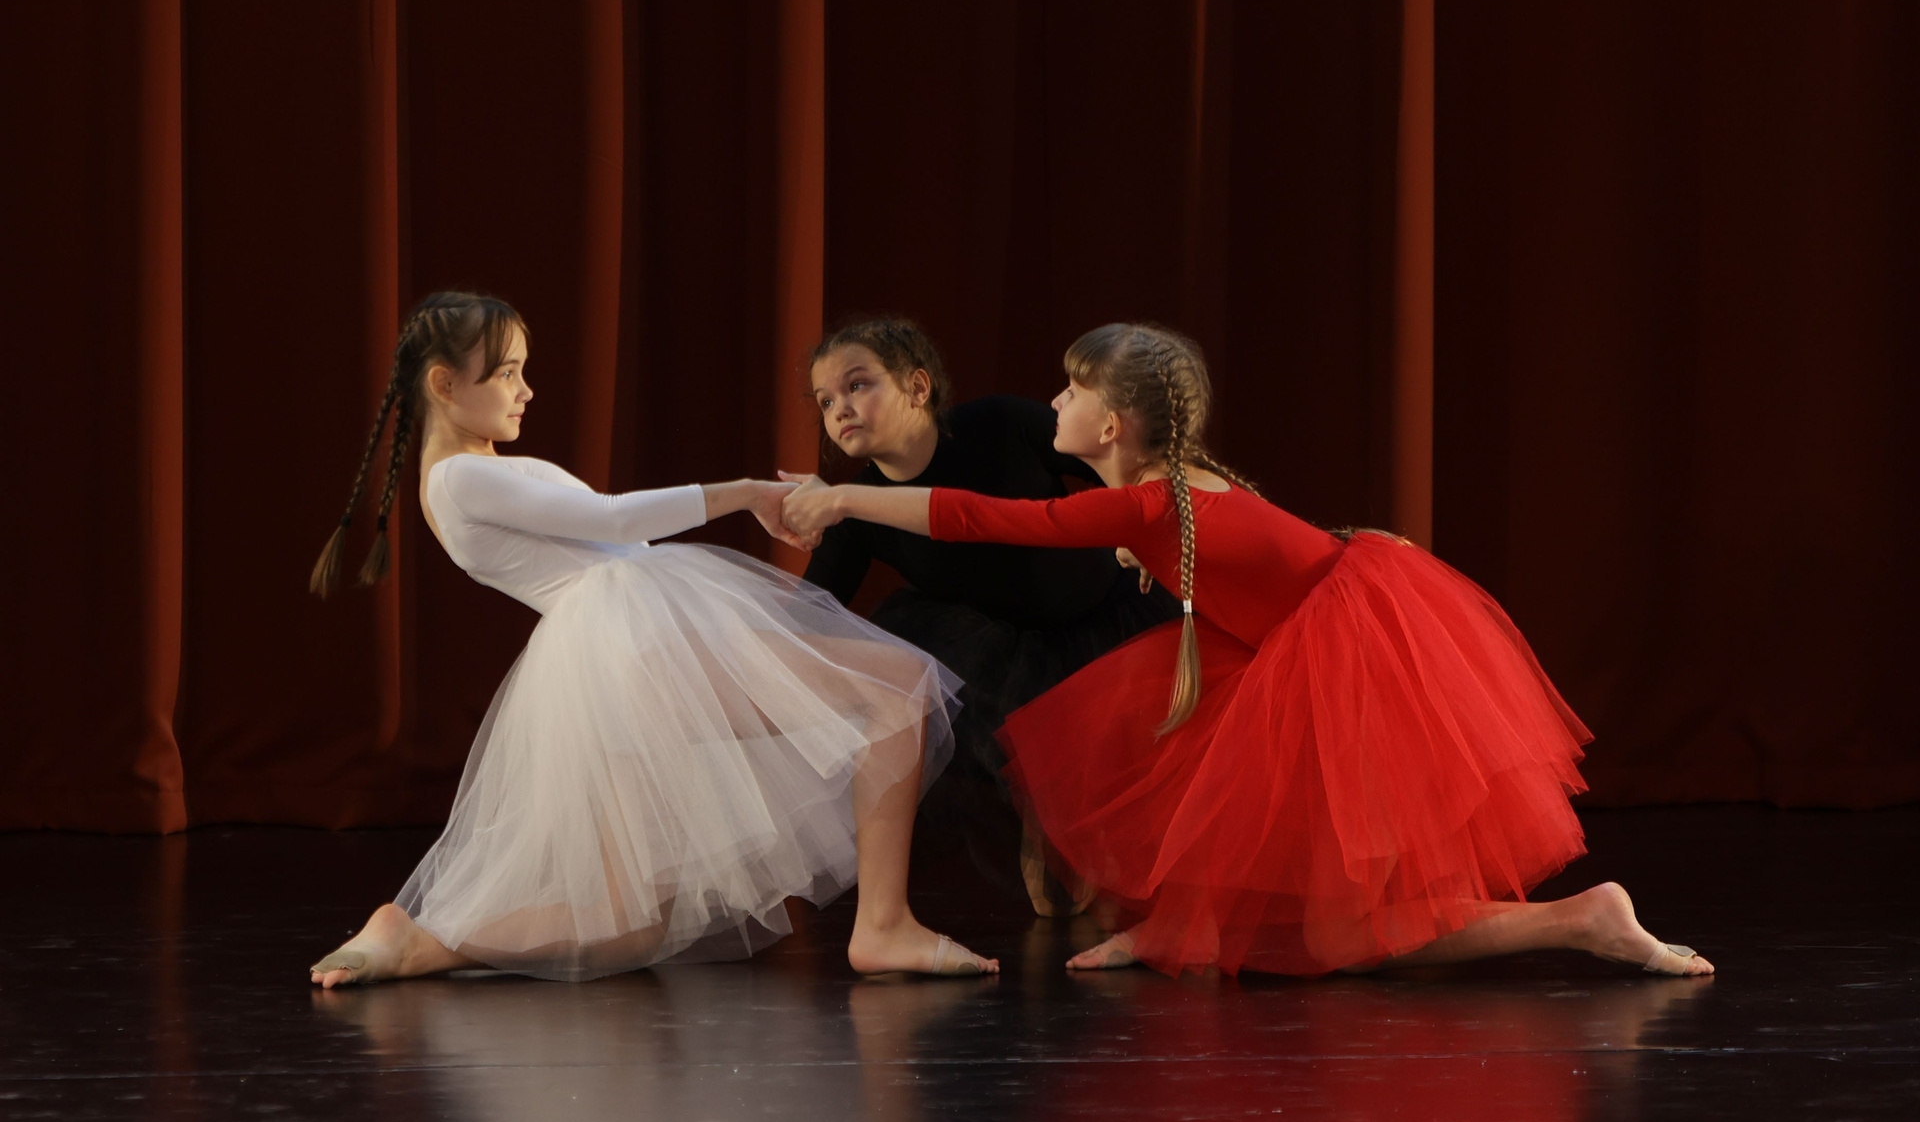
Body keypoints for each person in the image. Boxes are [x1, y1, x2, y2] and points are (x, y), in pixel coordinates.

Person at [781, 322, 1713, 980]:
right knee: (1166, 742)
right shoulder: (1169, 488)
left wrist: (844, 497)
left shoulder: (1146, 502)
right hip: (1295, 639)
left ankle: (1583, 919)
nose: (1053, 400)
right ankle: (1176, 928)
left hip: (1352, 662)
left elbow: (987, 518)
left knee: (1345, 935)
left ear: (1110, 426)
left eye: (1071, 389)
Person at [306, 291, 996, 986]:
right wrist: (748, 491)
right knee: (895, 689)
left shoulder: (480, 468)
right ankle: (882, 925)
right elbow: (612, 518)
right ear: (444, 384)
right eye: (507, 373)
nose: (526, 389)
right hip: (639, 646)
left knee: (632, 923)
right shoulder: (459, 478)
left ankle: (422, 941)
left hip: (632, 647)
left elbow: (610, 534)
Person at [796, 319, 1179, 910]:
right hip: (1006, 661)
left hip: (1105, 617)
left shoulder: (1000, 423)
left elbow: (1119, 461)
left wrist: (1136, 526)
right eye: (825, 401)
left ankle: (1096, 837)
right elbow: (805, 618)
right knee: (910, 645)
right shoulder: (856, 510)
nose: (839, 409)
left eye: (857, 385)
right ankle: (1039, 813)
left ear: (917, 386)